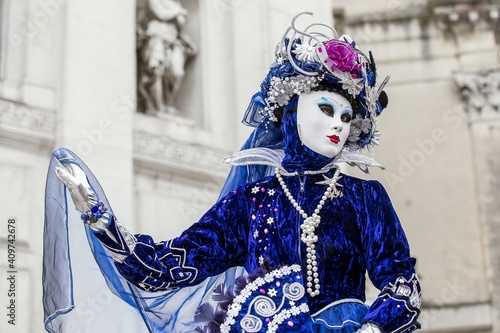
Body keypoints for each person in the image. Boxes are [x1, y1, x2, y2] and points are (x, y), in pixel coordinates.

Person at [43, 12, 421, 333]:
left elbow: (402, 285)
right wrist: (98, 216)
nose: (337, 124)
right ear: (291, 111)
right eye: (325, 109)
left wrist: (370, 329)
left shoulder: (364, 197)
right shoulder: (252, 203)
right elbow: (170, 266)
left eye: (345, 117)